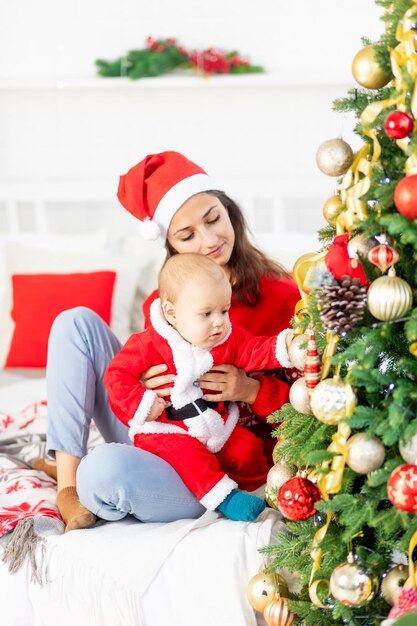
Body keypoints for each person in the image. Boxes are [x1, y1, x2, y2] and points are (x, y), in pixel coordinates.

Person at [36, 150, 300, 532]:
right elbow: (137, 378)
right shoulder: (160, 310)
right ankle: (67, 488)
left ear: (230, 213)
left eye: (213, 219)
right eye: (187, 235)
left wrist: (248, 389)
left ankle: (97, 474)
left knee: (105, 471)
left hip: (229, 460)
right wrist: (138, 388)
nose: (209, 240)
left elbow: (310, 404)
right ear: (170, 245)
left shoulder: (282, 295)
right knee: (74, 324)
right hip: (160, 430)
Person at [104, 252, 295, 522]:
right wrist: (142, 403)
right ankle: (224, 499)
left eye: (224, 310)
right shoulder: (148, 344)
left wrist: (286, 346)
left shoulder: (225, 338)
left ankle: (260, 493)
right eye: (206, 313)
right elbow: (116, 375)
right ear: (172, 313)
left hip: (214, 424)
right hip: (167, 429)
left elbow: (255, 350)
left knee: (245, 447)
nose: (219, 321)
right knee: (189, 456)